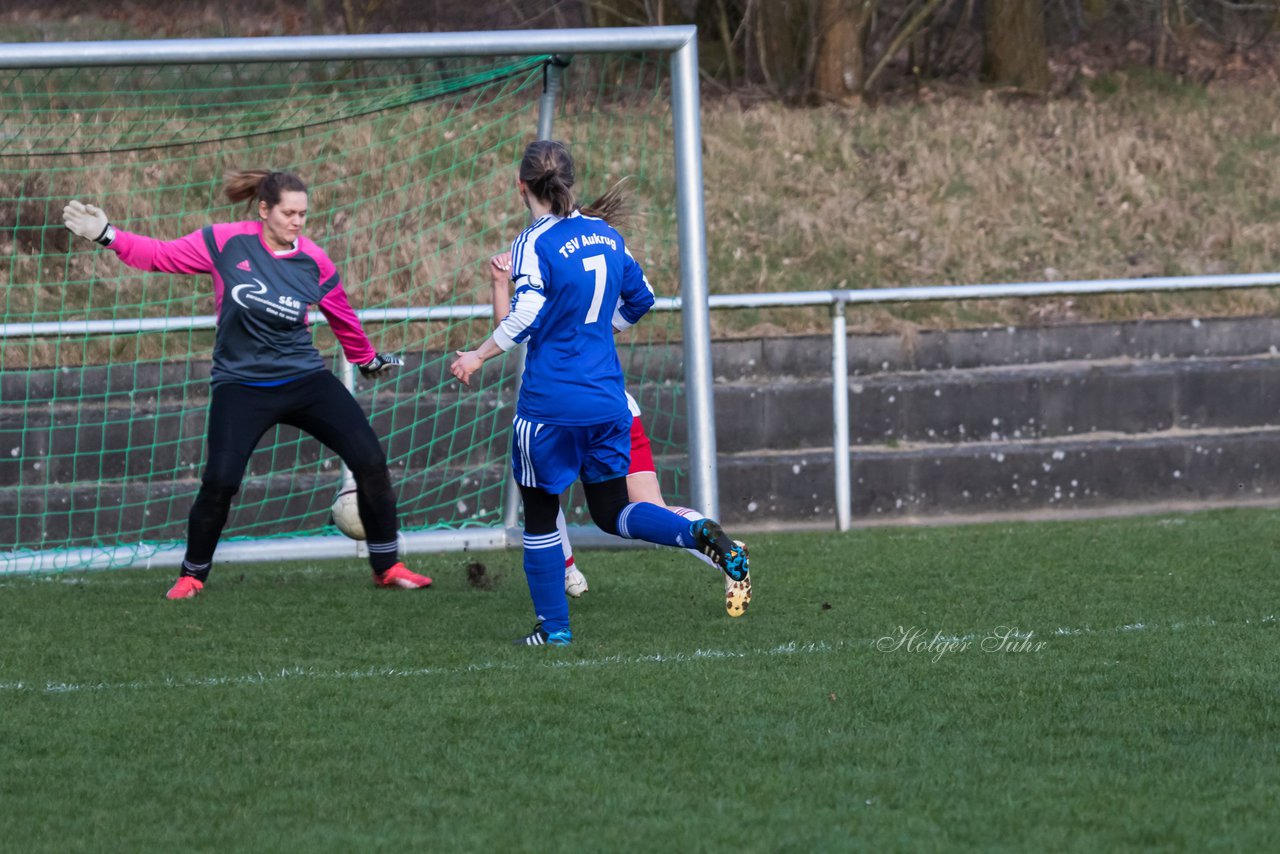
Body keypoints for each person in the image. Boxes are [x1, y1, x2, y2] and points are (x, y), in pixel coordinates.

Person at [62, 169, 433, 599]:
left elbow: (341, 315)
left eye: (303, 214)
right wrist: (106, 234)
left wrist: (366, 360)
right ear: (264, 211)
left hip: (305, 379)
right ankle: (192, 574)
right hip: (241, 385)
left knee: (370, 461)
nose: (297, 221)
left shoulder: (314, 260)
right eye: (289, 213)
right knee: (220, 481)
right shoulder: (224, 242)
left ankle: (387, 567)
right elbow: (161, 255)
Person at [451, 140, 751, 646]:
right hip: (608, 402)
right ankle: (695, 532)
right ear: (571, 180)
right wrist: (602, 329)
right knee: (614, 513)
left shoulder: (533, 241)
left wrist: (478, 354)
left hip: (551, 405)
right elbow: (644, 297)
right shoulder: (606, 235)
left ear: (520, 186)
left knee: (542, 515)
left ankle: (555, 629)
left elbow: (523, 317)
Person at [487, 250, 749, 617]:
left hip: (559, 415)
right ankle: (723, 550)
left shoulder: (541, 293)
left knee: (540, 491)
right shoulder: (593, 295)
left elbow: (509, 330)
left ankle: (567, 573)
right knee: (647, 511)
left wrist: (500, 284)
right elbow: (640, 298)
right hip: (616, 410)